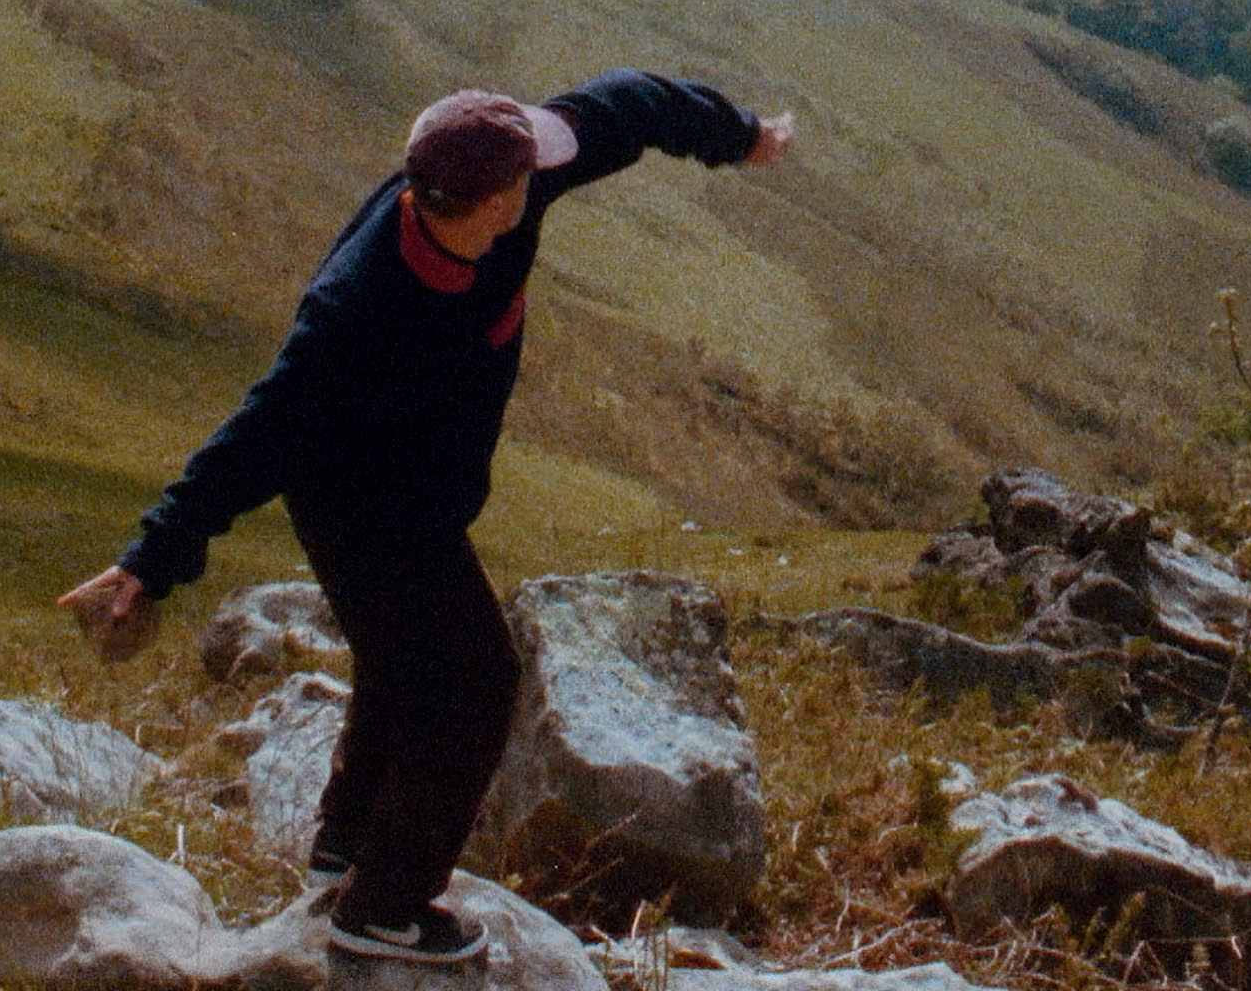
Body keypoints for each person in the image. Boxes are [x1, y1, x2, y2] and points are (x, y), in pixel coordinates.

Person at [58, 69, 794, 966]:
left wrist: (739, 135)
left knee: (404, 660)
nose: (541, 179)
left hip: (424, 490)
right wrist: (152, 560)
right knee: (475, 683)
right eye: (522, 183)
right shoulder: (355, 309)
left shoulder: (509, 173)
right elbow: (260, 432)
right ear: (486, 201)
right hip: (358, 507)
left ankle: (345, 847)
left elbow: (628, 106)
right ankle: (383, 906)